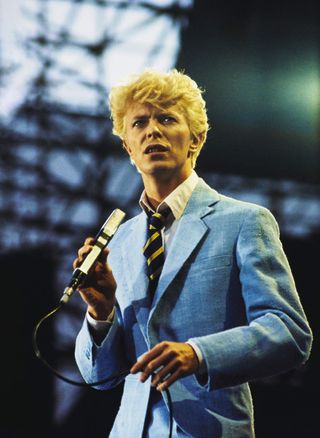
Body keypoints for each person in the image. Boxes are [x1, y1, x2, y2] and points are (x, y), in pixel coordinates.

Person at [73, 69, 312, 438]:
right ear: (128, 148)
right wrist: (100, 310)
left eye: (166, 118)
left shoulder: (245, 221)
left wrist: (199, 353)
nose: (152, 130)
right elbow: (99, 378)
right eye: (139, 122)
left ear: (196, 139)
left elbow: (289, 332)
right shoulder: (118, 243)